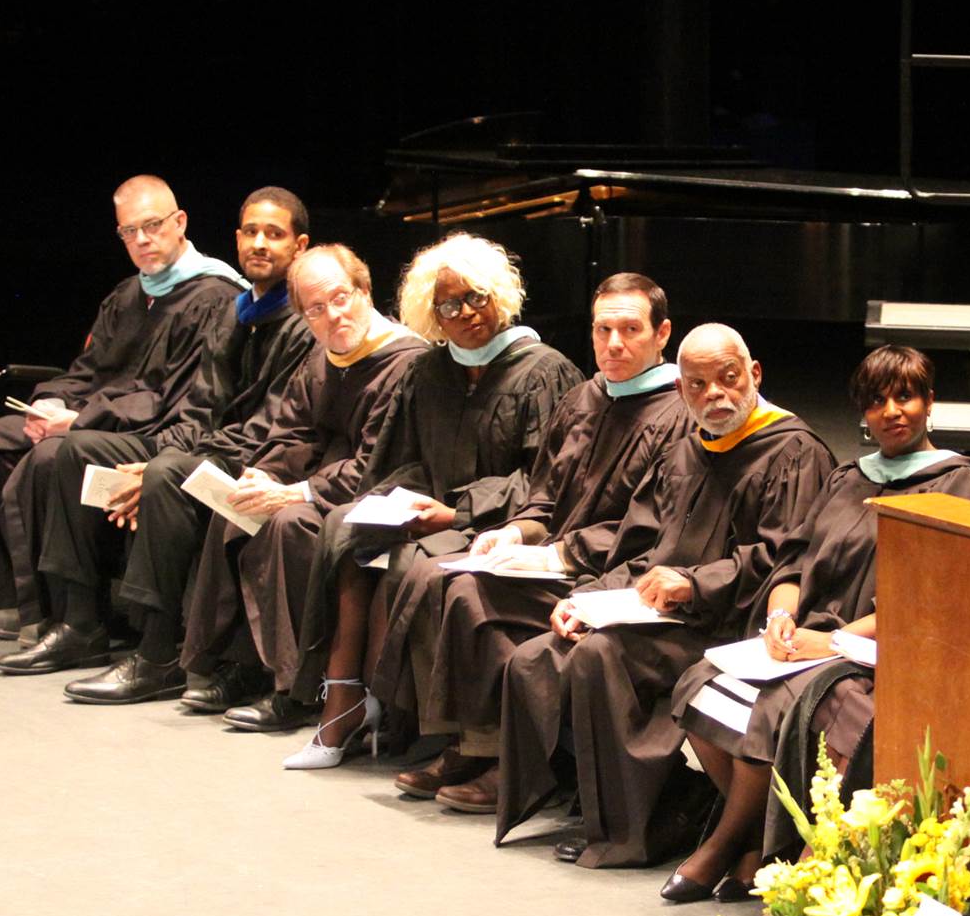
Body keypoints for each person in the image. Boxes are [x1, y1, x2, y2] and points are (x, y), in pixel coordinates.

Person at [496, 324, 835, 869]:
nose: (715, 396)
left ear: (754, 374)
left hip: (728, 622)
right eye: (698, 385)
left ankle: (645, 826)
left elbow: (786, 559)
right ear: (681, 391)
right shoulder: (682, 452)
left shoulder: (793, 450)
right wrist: (588, 597)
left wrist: (695, 584)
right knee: (536, 656)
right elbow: (637, 546)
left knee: (599, 657)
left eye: (728, 379)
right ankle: (624, 798)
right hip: (655, 615)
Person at [664, 345, 970, 902]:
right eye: (875, 401)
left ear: (930, 402)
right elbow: (792, 561)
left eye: (905, 397)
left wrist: (836, 639)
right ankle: (757, 841)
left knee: (779, 702)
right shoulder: (847, 478)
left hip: (874, 653)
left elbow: (936, 602)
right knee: (700, 685)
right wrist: (781, 616)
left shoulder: (962, 486)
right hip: (808, 642)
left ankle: (728, 844)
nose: (891, 411)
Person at [277, 232, 583, 770]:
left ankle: (432, 733)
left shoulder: (543, 370)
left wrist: (455, 511)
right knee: (348, 531)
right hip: (430, 514)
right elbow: (403, 458)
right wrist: (400, 501)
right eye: (449, 304)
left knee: (413, 565)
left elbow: (546, 482)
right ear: (432, 314)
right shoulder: (428, 371)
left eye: (477, 297)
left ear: (499, 296)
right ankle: (346, 698)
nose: (467, 313)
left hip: (499, 521)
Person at [390, 273, 694, 808]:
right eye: (604, 330)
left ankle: (523, 765)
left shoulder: (677, 415)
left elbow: (647, 527)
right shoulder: (584, 398)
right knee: (462, 584)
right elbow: (545, 495)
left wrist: (554, 553)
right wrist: (514, 531)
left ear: (662, 333)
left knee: (474, 599)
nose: (615, 344)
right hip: (555, 561)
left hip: (613, 575)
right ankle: (478, 745)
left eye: (630, 329)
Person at [12, 188, 316, 696]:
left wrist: (173, 461)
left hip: (263, 464)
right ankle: (81, 623)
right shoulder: (237, 313)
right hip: (206, 446)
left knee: (164, 475)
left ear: (299, 246)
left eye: (275, 234)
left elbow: (273, 428)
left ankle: (158, 655)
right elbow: (201, 407)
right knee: (76, 449)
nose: (259, 243)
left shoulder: (302, 323)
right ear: (236, 238)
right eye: (251, 232)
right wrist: (171, 451)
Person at [0, 175, 244, 651]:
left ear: (180, 222)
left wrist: (80, 421)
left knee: (58, 452)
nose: (143, 240)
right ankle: (29, 597)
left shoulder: (214, 297)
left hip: (160, 432)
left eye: (152, 225)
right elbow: (88, 372)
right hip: (101, 421)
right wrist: (53, 403)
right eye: (130, 231)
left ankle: (77, 614)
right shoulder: (128, 295)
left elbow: (179, 400)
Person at [175, 244, 425, 734]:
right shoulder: (322, 357)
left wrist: (299, 493)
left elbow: (377, 465)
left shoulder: (406, 361)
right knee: (238, 506)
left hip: (371, 498)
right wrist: (265, 476)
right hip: (316, 487)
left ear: (364, 291)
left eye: (340, 298)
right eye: (315, 309)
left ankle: (298, 689)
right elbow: (291, 431)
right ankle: (241, 664)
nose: (332, 316)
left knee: (288, 524)